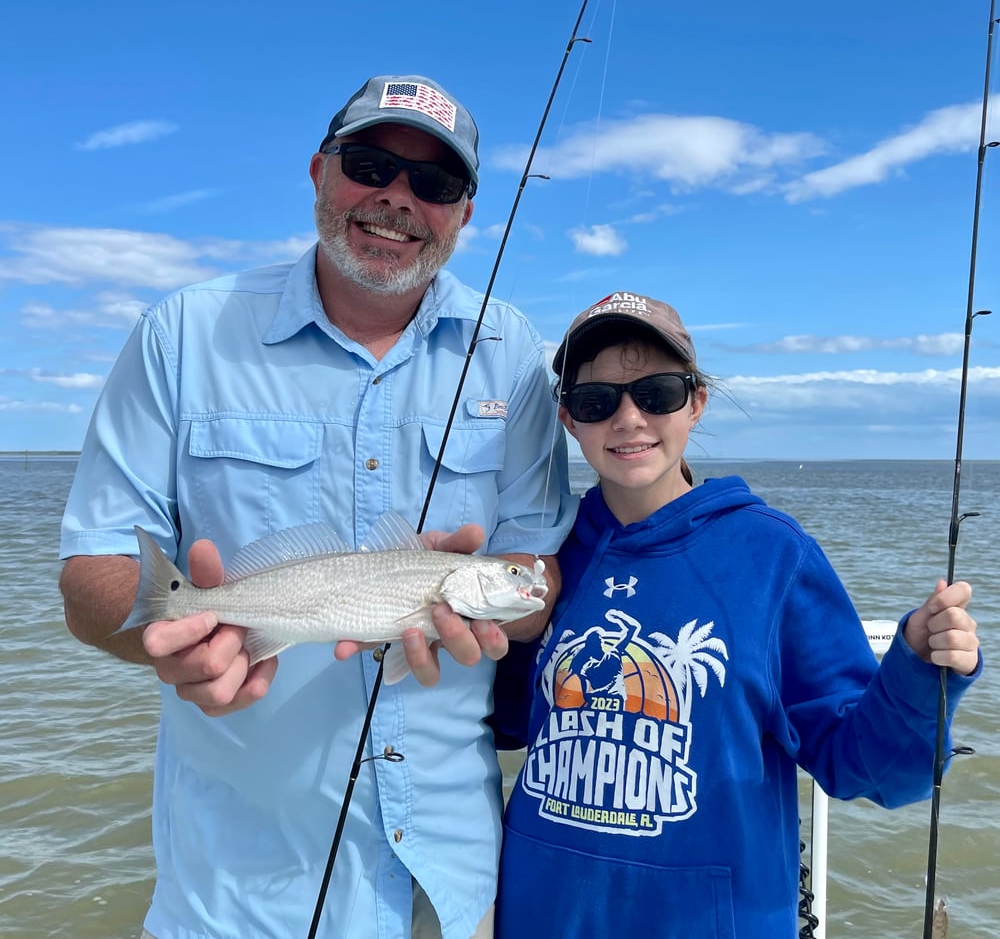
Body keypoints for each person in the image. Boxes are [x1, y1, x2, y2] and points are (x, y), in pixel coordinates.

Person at [59, 74, 577, 939]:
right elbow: (90, 576)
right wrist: (171, 643)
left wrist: (511, 610)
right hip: (241, 891)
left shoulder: (513, 351)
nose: (397, 198)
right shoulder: (182, 333)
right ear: (317, 172)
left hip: (450, 882)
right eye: (371, 164)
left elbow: (537, 572)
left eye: (434, 183)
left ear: (464, 213)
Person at [494, 290, 982, 938]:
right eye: (597, 401)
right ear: (568, 419)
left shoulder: (774, 553)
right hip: (539, 916)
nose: (629, 418)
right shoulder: (545, 554)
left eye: (657, 393)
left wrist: (919, 669)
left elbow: (870, 769)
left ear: (695, 402)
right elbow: (504, 722)